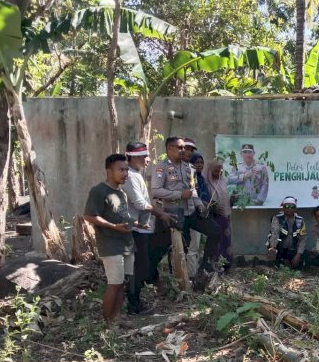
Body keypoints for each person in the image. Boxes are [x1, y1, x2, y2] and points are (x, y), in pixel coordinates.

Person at [150, 136, 222, 277]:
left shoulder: (190, 168)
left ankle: (205, 266)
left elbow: (193, 191)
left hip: (191, 213)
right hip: (173, 214)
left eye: (186, 148)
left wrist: (200, 206)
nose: (184, 151)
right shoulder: (161, 167)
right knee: (164, 248)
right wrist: (178, 194)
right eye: (180, 148)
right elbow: (155, 191)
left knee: (215, 230)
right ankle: (151, 274)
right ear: (169, 149)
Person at [83, 154, 143, 323]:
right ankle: (108, 323)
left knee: (123, 283)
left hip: (127, 244)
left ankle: (117, 318)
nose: (125, 173)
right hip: (110, 245)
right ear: (109, 171)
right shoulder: (99, 191)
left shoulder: (121, 192)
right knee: (114, 284)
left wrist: (137, 223)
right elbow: (89, 216)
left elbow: (123, 216)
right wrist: (113, 227)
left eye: (126, 170)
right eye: (121, 170)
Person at [121, 141, 174, 313]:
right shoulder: (129, 175)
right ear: (133, 158)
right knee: (138, 267)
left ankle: (135, 300)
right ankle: (133, 304)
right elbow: (140, 203)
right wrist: (160, 213)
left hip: (143, 227)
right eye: (144, 156)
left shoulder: (136, 174)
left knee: (145, 264)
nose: (148, 160)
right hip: (135, 229)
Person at [202, 159, 234, 270]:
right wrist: (211, 206)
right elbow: (205, 201)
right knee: (217, 241)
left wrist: (232, 199)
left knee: (226, 241)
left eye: (220, 171)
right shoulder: (206, 183)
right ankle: (216, 265)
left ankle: (226, 264)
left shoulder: (222, 181)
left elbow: (225, 199)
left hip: (225, 216)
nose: (218, 173)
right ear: (210, 171)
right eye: (216, 171)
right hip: (213, 217)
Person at [267, 196, 307, 269]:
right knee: (279, 266)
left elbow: (303, 239)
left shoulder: (300, 220)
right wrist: (273, 248)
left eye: (292, 206)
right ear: (283, 208)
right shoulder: (277, 218)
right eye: (287, 206)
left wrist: (298, 255)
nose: (289, 208)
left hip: (294, 249)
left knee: (300, 265)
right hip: (281, 249)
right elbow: (274, 234)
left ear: (295, 208)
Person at [186, 152, 209, 276]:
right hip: (194, 216)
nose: (200, 165)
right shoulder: (192, 179)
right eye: (197, 162)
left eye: (201, 162)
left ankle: (200, 272)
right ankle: (191, 275)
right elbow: (193, 196)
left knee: (202, 246)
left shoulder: (202, 179)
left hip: (203, 216)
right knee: (193, 246)